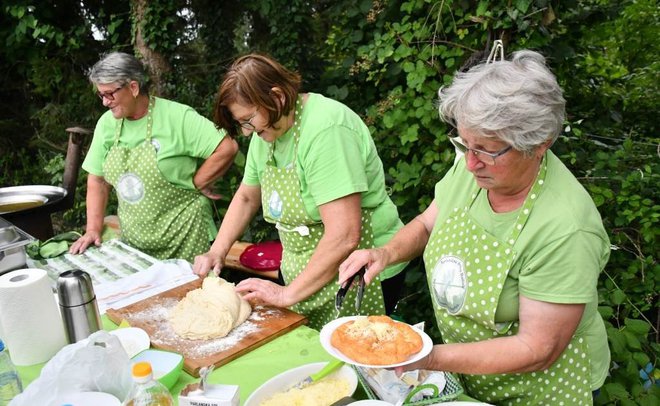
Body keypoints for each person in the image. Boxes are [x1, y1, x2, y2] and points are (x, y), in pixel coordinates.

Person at [339, 49, 610, 405]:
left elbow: (537, 348)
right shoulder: (476, 168)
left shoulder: (565, 228)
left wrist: (429, 357)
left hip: (543, 389)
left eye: (486, 150)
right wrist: (385, 253)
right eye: (465, 144)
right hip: (478, 375)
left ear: (539, 144)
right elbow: (426, 223)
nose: (469, 163)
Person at [192, 54, 407, 329]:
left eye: (248, 120)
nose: (246, 133)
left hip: (360, 274)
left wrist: (285, 294)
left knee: (352, 362)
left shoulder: (326, 129)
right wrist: (217, 251)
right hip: (302, 272)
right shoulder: (267, 134)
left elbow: (344, 235)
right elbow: (247, 196)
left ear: (278, 96)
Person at [69, 52, 238, 262]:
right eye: (101, 95)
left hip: (186, 239)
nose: (105, 102)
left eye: (110, 94)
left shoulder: (177, 117)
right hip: (136, 245)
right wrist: (93, 229)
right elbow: (98, 180)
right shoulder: (106, 124)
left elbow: (226, 147)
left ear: (133, 87)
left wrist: (198, 181)